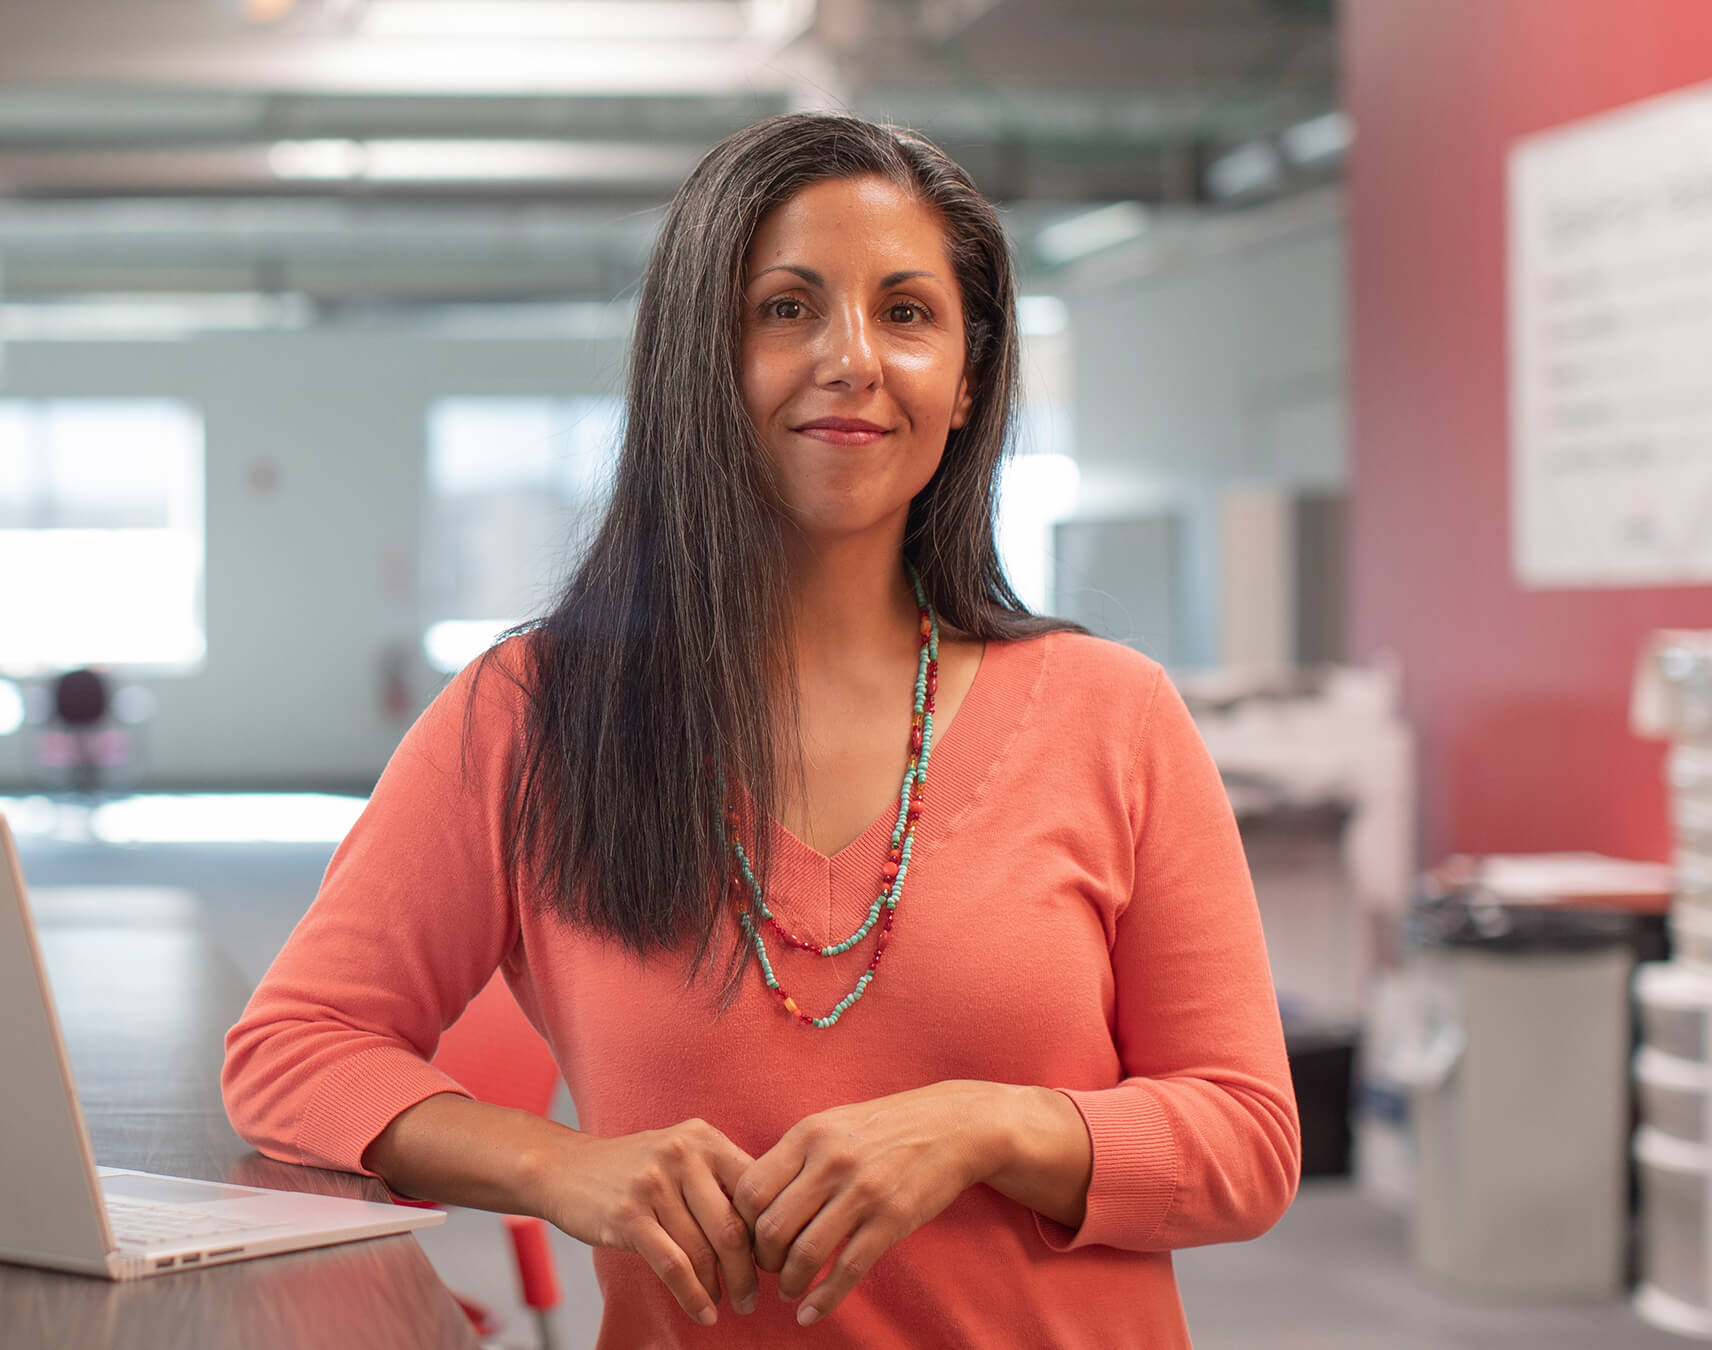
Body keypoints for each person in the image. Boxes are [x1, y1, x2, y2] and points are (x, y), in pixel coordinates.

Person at [223, 112, 1299, 1348]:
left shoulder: (1114, 713)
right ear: (701, 361)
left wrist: (991, 1125)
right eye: (787, 308)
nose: (853, 359)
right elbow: (293, 1052)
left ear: (966, 385)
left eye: (907, 314)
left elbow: (1250, 1139)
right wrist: (557, 1164)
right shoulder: (533, 716)